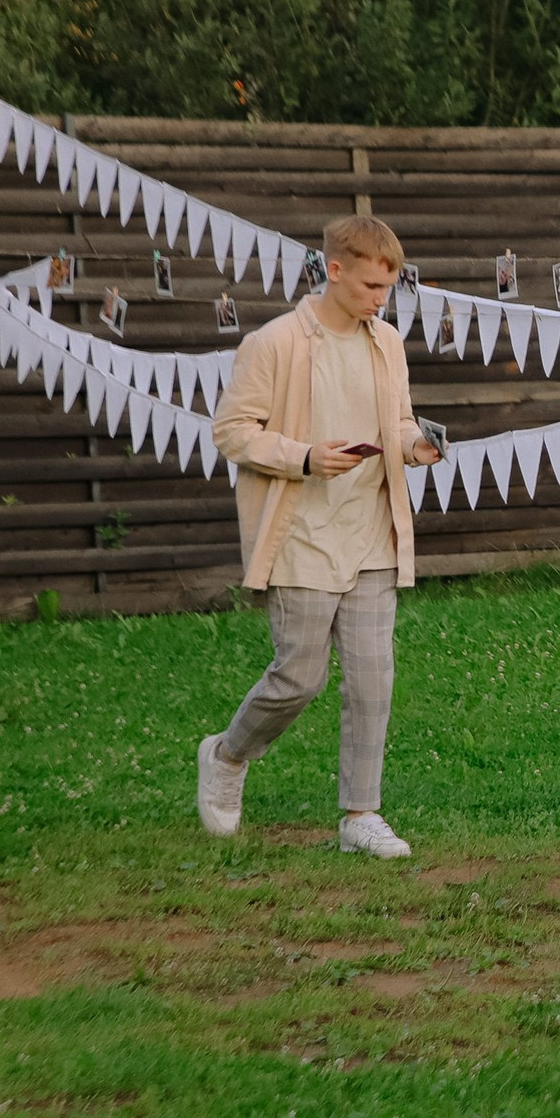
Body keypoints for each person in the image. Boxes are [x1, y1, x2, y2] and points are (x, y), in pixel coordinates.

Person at [198, 216, 440, 857]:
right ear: (334, 271)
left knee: (372, 679)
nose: (379, 300)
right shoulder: (274, 343)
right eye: (368, 286)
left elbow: (400, 421)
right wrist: (304, 456)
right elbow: (231, 432)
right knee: (297, 678)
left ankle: (361, 815)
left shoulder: (387, 343)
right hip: (301, 534)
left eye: (387, 288)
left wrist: (417, 446)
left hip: (371, 535)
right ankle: (226, 756)